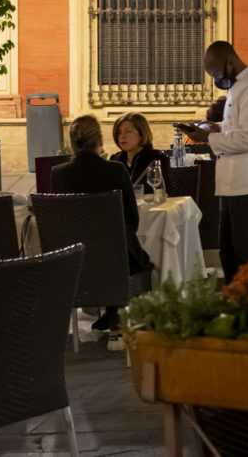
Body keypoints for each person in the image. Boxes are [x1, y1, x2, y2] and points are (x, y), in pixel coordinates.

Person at [50, 114, 151, 350]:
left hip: (73, 259)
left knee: (109, 250)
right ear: (100, 140)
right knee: (123, 250)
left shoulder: (58, 174)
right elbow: (132, 219)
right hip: (113, 259)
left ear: (73, 142)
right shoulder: (115, 171)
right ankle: (117, 326)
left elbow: (57, 219)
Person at [176, 41, 248, 282]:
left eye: (217, 72)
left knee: (247, 254)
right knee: (228, 252)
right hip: (230, 183)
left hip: (246, 183)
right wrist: (212, 126)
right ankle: (234, 304)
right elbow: (234, 128)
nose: (216, 78)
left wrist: (209, 137)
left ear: (230, 61)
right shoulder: (236, 87)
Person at [108, 112, 170, 194]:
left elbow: (167, 192)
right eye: (119, 132)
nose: (122, 136)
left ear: (141, 134)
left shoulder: (157, 159)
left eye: (128, 131)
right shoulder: (115, 160)